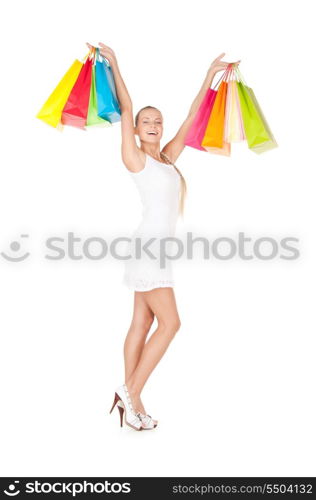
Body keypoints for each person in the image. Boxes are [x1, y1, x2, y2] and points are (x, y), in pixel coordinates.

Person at [87, 42, 239, 431]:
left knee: (141, 323)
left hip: (155, 250)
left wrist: (210, 75)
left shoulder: (167, 158)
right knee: (171, 324)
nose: (154, 125)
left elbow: (191, 117)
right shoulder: (134, 157)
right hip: (148, 249)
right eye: (146, 122)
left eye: (158, 121)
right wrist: (115, 64)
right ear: (136, 129)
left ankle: (132, 405)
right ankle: (129, 391)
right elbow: (125, 105)